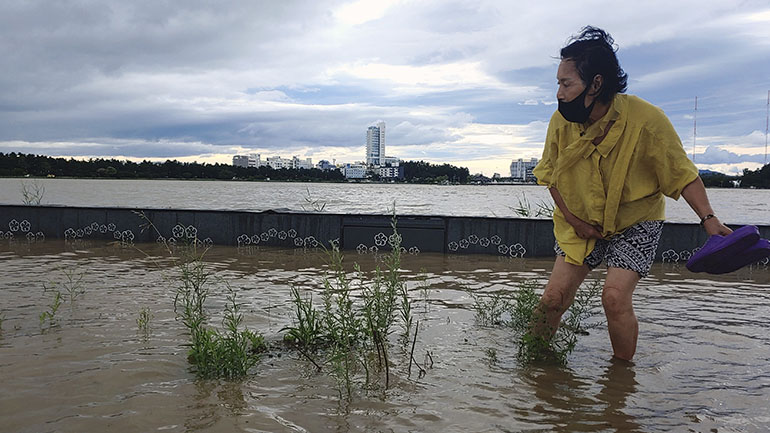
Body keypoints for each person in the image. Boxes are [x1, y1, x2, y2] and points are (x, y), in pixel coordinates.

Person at [531, 26, 732, 361]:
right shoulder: (561, 122)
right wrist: (575, 221)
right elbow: (550, 175)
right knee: (553, 298)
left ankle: (622, 376)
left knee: (614, 298)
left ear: (596, 84)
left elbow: (682, 174)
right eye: (558, 84)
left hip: (636, 222)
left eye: (566, 84)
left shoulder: (647, 120)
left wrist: (709, 220)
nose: (559, 94)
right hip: (579, 218)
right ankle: (533, 366)